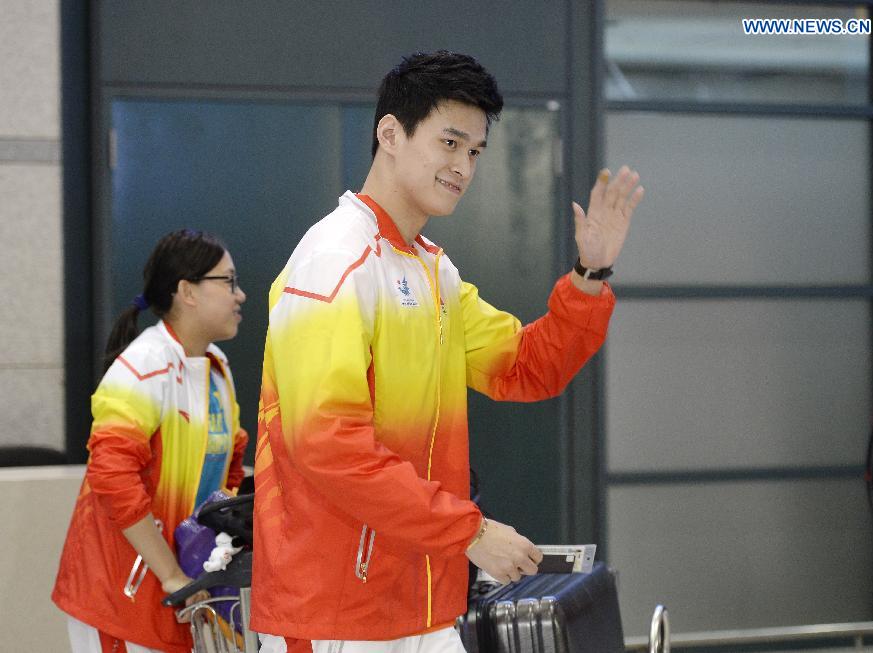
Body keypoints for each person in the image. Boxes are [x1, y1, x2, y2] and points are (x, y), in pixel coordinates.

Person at [252, 50, 644, 653]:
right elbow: (326, 444)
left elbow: (526, 366)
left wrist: (590, 275)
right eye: (450, 143)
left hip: (421, 597)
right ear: (390, 134)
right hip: (335, 609)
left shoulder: (435, 271)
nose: (463, 166)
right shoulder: (335, 260)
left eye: (476, 152)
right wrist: (471, 533)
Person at [52, 229, 249, 653]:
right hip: (122, 593)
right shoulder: (144, 367)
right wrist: (171, 574)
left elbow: (229, 471)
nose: (240, 295)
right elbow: (112, 479)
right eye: (228, 281)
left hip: (183, 587)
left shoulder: (218, 368)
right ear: (187, 291)